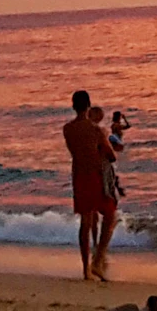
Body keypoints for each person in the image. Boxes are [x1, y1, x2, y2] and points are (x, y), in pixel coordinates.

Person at [63, 90, 117, 281]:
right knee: (110, 216)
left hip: (78, 176)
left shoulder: (67, 129)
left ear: (73, 106)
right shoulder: (96, 130)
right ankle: (99, 257)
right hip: (95, 176)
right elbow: (111, 156)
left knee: (85, 223)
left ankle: (86, 268)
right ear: (88, 106)